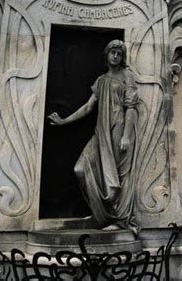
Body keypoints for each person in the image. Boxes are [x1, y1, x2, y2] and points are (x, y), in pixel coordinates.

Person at [48, 40, 138, 233]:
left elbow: (130, 107)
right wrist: (64, 121)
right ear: (106, 55)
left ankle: (118, 220)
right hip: (101, 131)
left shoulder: (127, 76)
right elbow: (88, 107)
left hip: (118, 128)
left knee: (116, 179)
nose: (115, 56)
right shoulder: (101, 80)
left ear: (122, 58)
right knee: (80, 169)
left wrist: (126, 136)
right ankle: (100, 212)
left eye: (119, 53)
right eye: (112, 52)